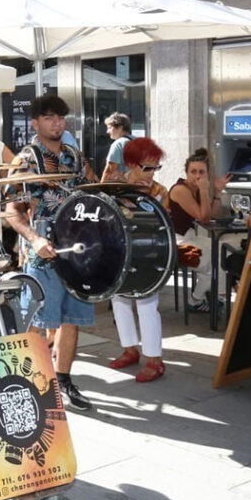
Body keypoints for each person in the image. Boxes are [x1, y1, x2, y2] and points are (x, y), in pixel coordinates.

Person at [4, 95, 97, 411]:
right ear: (35, 122)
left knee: (72, 319)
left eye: (60, 117)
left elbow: (95, 194)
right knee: (36, 321)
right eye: (49, 117)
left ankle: (65, 379)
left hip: (78, 247)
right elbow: (10, 212)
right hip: (42, 247)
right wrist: (33, 240)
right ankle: (32, 384)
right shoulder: (25, 160)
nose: (57, 123)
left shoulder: (75, 156)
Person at [108, 138, 170, 383]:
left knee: (146, 304)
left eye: (155, 168)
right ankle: (130, 348)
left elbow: (162, 224)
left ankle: (154, 358)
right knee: (119, 300)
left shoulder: (159, 191)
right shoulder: (113, 187)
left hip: (147, 253)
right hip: (119, 251)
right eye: (146, 167)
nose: (152, 173)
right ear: (130, 165)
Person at [168, 148, 230, 314]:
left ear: (207, 174)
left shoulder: (196, 189)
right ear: (186, 172)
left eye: (201, 172)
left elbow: (211, 215)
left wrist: (217, 193)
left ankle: (203, 298)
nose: (197, 176)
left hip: (190, 236)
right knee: (209, 261)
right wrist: (204, 190)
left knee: (223, 250)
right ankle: (210, 298)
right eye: (193, 172)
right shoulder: (180, 189)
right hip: (175, 242)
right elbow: (203, 218)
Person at [101, 112, 133, 181]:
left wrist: (101, 188)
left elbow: (109, 170)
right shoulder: (137, 141)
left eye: (109, 128)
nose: (107, 131)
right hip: (141, 184)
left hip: (126, 187)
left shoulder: (118, 144)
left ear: (120, 128)